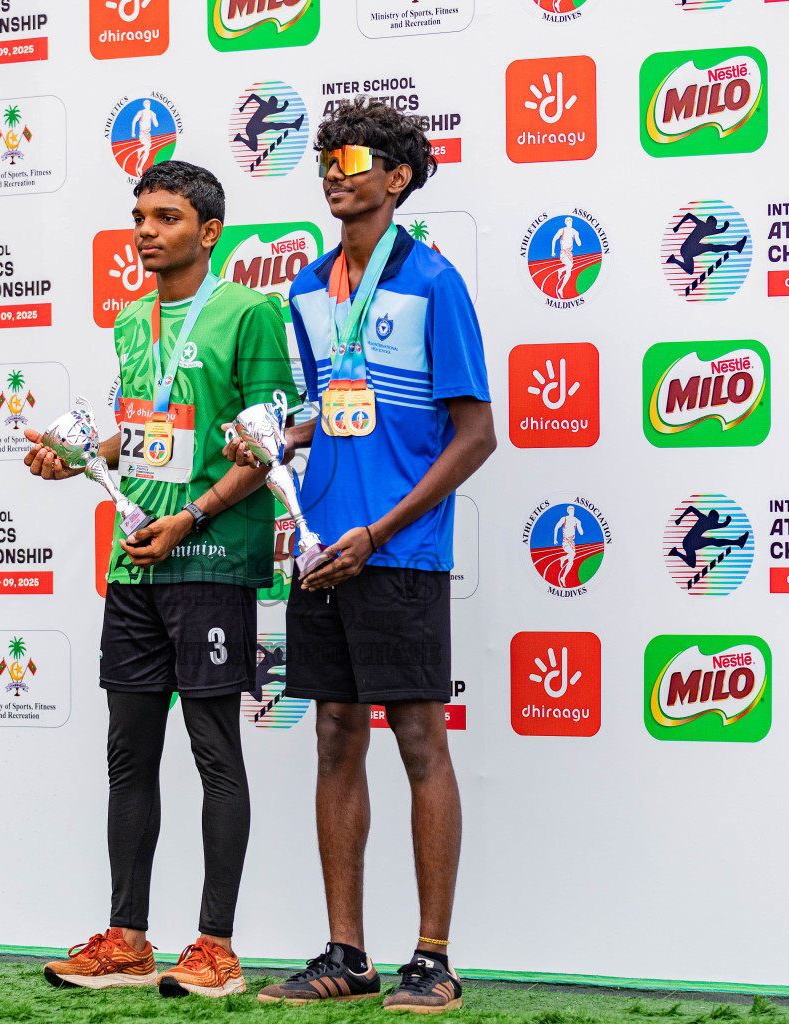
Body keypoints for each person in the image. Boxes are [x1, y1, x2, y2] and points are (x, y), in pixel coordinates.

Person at [228, 98, 494, 1014]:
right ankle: (347, 954)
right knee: (335, 734)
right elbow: (320, 408)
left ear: (398, 177)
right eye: (326, 157)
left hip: (399, 550)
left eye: (355, 158)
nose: (336, 170)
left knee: (419, 739)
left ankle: (432, 959)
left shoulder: (434, 281)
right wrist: (272, 438)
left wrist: (381, 531)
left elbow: (475, 435)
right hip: (319, 547)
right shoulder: (304, 288)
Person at [21, 160, 295, 999]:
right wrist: (79, 461)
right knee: (127, 754)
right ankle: (129, 939)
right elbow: (143, 436)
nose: (146, 230)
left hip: (210, 559)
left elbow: (269, 442)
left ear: (208, 232)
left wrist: (198, 515)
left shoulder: (250, 312)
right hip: (133, 562)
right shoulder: (131, 321)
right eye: (140, 215)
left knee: (214, 752)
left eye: (166, 217)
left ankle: (215, 946)